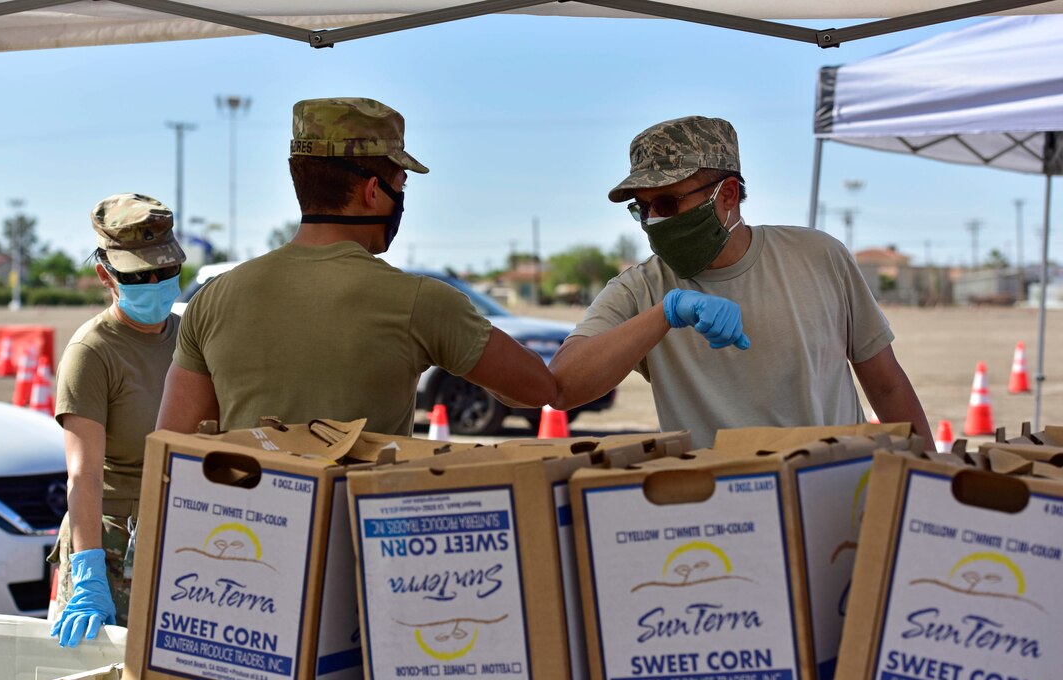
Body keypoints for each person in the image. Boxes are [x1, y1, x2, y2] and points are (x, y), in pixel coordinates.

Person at [157, 97, 556, 435]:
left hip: (245, 528)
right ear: (372, 192)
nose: (400, 199)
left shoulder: (212, 300)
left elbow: (173, 447)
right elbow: (537, 388)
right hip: (361, 526)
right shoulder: (420, 302)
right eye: (400, 186)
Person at [550, 115, 932, 448]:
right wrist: (665, 314)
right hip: (723, 512)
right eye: (643, 209)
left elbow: (886, 385)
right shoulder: (640, 289)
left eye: (667, 204)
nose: (654, 221)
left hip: (833, 486)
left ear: (728, 194)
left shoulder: (819, 257)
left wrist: (931, 480)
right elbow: (564, 385)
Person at [49, 193, 185, 646]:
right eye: (138, 275)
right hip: (109, 550)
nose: (155, 282)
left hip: (176, 538)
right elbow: (83, 476)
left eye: (165, 272)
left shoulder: (191, 341)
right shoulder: (92, 353)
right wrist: (89, 577)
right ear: (105, 275)